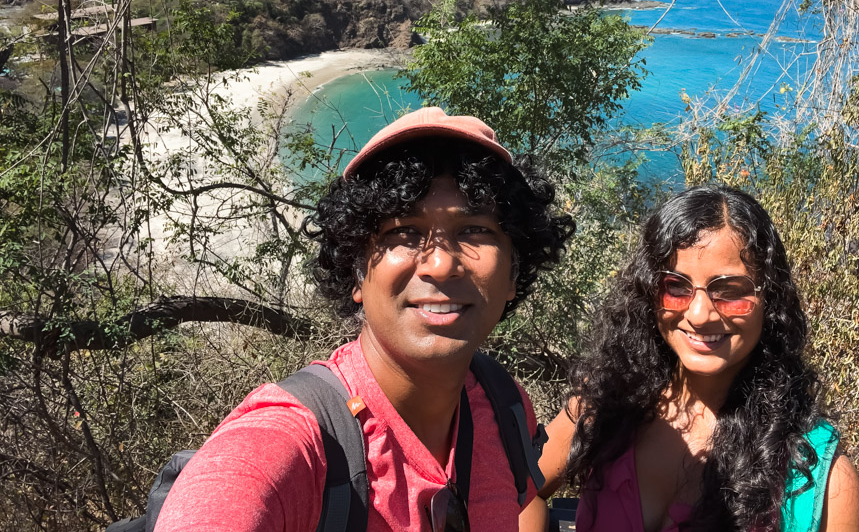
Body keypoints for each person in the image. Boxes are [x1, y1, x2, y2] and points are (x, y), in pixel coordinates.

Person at [155, 106, 575, 532]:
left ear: (513, 274)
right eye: (403, 233)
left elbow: (522, 504)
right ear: (356, 272)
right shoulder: (297, 444)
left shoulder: (503, 404)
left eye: (474, 231)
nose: (441, 264)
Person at [522, 186, 859, 532]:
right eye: (675, 286)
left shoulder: (817, 481)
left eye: (730, 291)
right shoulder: (605, 407)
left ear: (771, 301)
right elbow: (523, 491)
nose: (700, 314)